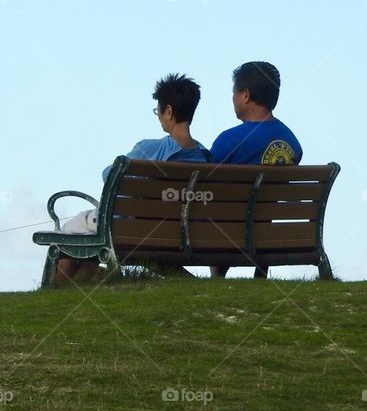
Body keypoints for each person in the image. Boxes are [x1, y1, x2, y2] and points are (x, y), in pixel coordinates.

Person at [55, 74, 210, 283]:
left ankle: (57, 289)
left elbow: (110, 176)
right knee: (87, 241)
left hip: (130, 230)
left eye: (159, 111)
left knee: (70, 232)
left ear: (169, 111)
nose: (159, 116)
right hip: (179, 232)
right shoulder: (205, 158)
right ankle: (80, 282)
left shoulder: (151, 148)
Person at [209, 61, 302, 278]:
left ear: (245, 95)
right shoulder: (292, 143)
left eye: (234, 93)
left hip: (226, 233)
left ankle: (217, 277)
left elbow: (205, 181)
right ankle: (260, 272)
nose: (232, 99)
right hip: (266, 233)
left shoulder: (229, 140)